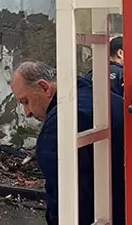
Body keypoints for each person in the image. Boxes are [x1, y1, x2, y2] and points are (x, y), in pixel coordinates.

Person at [10, 61, 125, 225]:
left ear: (44, 88)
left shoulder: (59, 124)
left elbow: (65, 199)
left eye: (25, 101)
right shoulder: (99, 95)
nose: (27, 112)